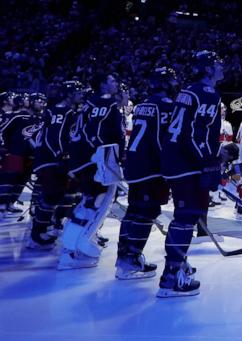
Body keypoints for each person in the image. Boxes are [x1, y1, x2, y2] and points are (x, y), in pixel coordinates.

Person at [160, 51, 224, 298]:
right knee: (185, 219)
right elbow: (194, 135)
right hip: (187, 165)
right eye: (218, 64)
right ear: (207, 69)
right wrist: (208, 161)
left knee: (182, 218)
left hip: (175, 162)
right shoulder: (208, 93)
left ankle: (177, 266)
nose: (222, 67)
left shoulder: (188, 90)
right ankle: (171, 277)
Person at [115, 66, 178, 280]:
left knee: (133, 211)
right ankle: (130, 261)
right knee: (146, 212)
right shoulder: (167, 105)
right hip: (151, 167)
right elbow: (164, 140)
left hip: (134, 163)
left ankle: (123, 257)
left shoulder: (142, 105)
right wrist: (171, 166)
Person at [60, 74, 128, 270]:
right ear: (102, 84)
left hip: (85, 160)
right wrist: (104, 158)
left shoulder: (90, 103)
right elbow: (95, 133)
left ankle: (69, 249)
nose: (116, 84)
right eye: (112, 81)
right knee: (94, 203)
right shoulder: (105, 102)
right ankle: (74, 251)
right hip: (95, 160)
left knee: (88, 202)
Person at [28, 81, 87, 250]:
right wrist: (61, 155)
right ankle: (37, 235)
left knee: (55, 195)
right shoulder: (63, 111)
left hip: (47, 158)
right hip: (50, 160)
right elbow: (55, 136)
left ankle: (43, 229)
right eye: (77, 92)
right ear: (68, 94)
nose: (80, 95)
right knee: (51, 196)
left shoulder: (58, 110)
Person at [0, 93, 43, 216]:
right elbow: (2, 130)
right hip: (15, 153)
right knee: (9, 179)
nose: (41, 104)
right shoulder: (17, 116)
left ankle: (11, 203)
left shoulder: (40, 119)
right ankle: (2, 205)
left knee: (22, 180)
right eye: (39, 101)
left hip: (31, 155)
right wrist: (5, 148)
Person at [210, 102, 234, 208]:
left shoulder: (227, 124)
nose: (224, 110)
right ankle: (212, 194)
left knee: (224, 173)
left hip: (224, 152)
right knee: (214, 173)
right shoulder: (211, 122)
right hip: (214, 152)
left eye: (224, 108)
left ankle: (220, 191)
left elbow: (229, 140)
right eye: (222, 108)